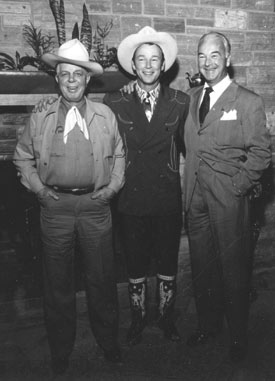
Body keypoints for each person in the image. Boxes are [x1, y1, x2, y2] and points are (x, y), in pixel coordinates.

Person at [13, 39, 125, 375]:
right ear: (57, 79)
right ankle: (61, 349)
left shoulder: (106, 115)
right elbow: (22, 158)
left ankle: (108, 342)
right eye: (65, 75)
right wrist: (40, 191)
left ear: (88, 79)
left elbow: (119, 154)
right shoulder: (42, 115)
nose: (72, 80)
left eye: (78, 74)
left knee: (102, 280)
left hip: (96, 208)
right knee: (57, 283)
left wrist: (113, 187)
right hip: (56, 209)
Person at [183, 31, 271, 362]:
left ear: (228, 58)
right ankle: (208, 325)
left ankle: (238, 337)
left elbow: (262, 154)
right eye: (202, 56)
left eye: (215, 55)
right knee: (202, 266)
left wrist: (237, 187)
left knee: (234, 269)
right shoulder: (191, 98)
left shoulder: (247, 101)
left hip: (229, 197)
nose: (208, 62)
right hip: (195, 198)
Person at [104, 26, 189, 346]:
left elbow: (189, 147)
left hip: (166, 198)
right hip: (131, 199)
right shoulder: (114, 100)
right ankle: (138, 320)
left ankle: (167, 319)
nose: (149, 65)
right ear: (133, 66)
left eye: (155, 59)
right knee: (135, 265)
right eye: (143, 59)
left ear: (163, 64)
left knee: (168, 264)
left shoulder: (181, 102)